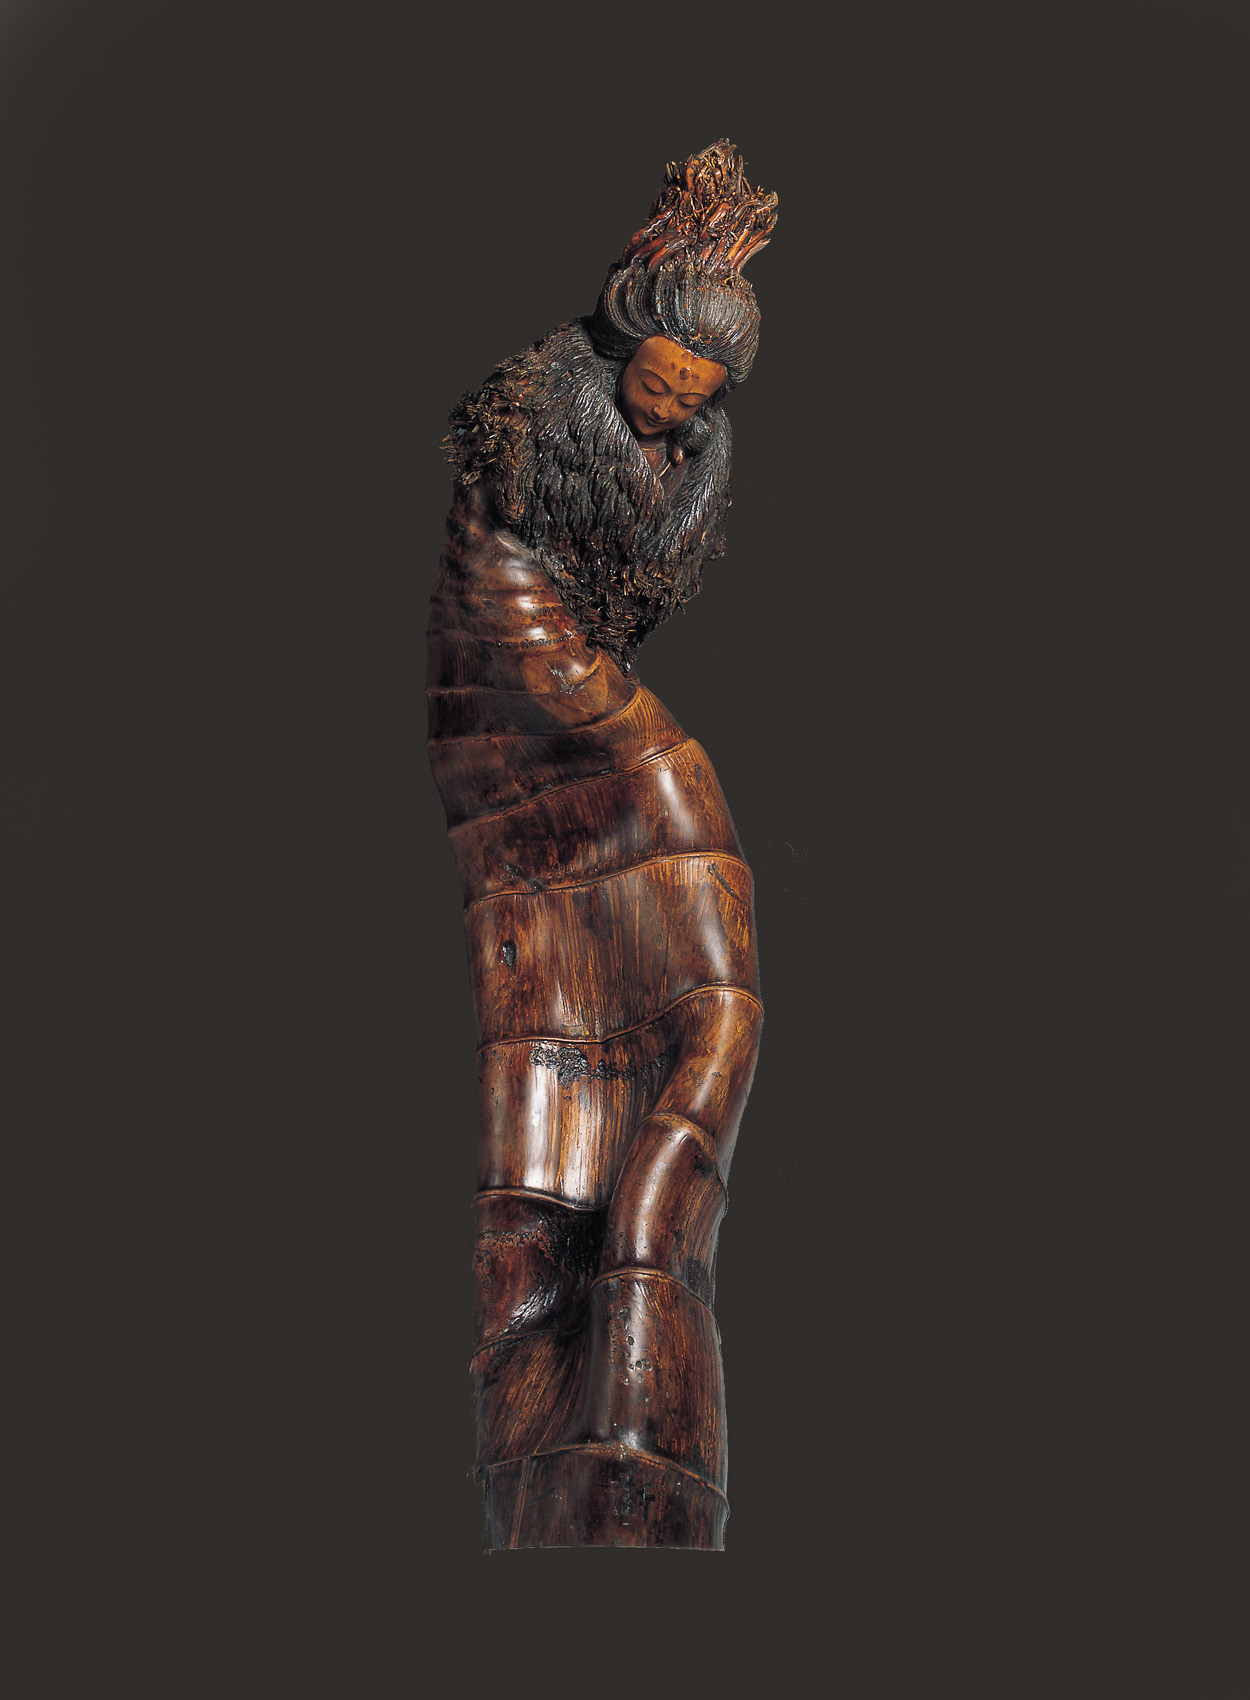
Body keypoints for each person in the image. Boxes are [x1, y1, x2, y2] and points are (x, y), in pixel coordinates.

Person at [429, 141, 777, 1548]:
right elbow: (508, 589)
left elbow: (632, 583)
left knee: (697, 1014)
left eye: (696, 397)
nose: (670, 406)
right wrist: (576, 686)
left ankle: (608, 1416)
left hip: (571, 679)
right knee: (665, 824)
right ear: (629, 340)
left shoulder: (686, 452)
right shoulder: (544, 417)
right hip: (508, 683)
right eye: (661, 380)